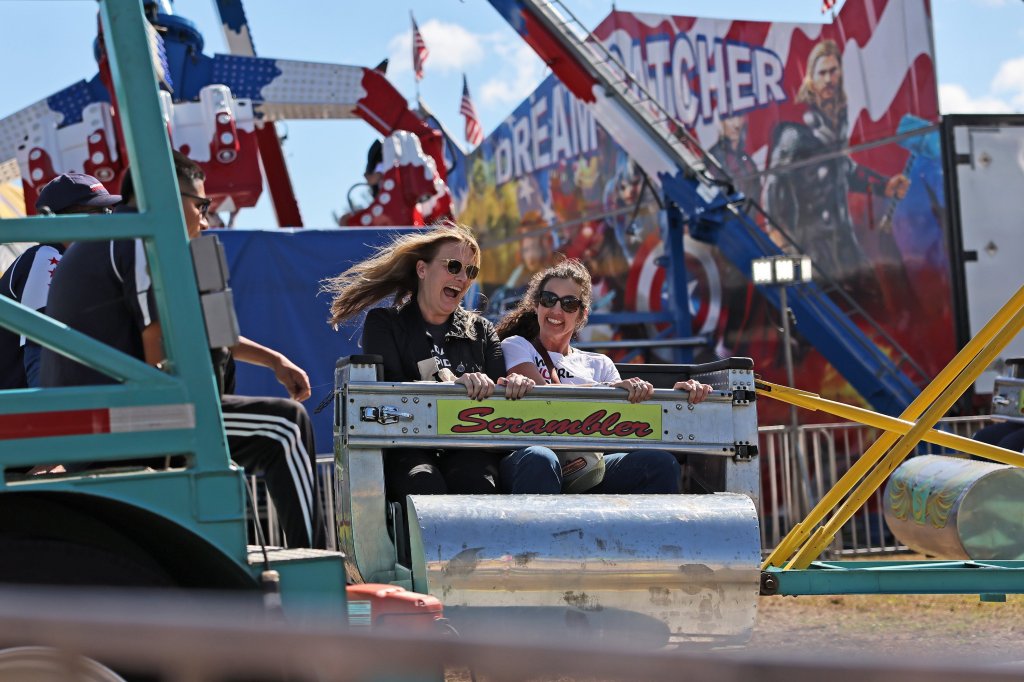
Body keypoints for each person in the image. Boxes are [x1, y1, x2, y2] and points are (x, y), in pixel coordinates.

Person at [41, 151, 325, 549]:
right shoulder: (138, 238)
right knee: (286, 426)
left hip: (99, 424)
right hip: (120, 428)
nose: (206, 220)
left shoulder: (114, 239)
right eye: (202, 205)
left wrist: (274, 361)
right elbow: (155, 351)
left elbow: (195, 332)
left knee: (234, 425)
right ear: (170, 198)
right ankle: (322, 571)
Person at [323, 221, 535, 500]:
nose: (462, 278)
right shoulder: (386, 323)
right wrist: (456, 387)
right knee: (423, 483)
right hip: (409, 449)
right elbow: (391, 396)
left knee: (476, 483)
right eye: (453, 266)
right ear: (422, 269)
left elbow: (500, 399)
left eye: (470, 271)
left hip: (469, 450)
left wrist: (515, 384)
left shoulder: (482, 330)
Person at [493, 258, 712, 494]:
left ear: (581, 314)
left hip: (587, 466)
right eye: (549, 300)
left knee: (660, 464)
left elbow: (625, 427)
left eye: (569, 304)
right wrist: (608, 391)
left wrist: (678, 395)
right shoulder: (516, 346)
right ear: (536, 305)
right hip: (531, 458)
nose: (556, 310)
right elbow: (543, 400)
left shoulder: (600, 364)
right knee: (541, 458)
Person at [763, 39, 910, 287]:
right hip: (813, 249)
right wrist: (779, 240)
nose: (829, 79)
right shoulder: (795, 131)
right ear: (811, 78)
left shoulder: (836, 123)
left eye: (833, 71)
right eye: (822, 73)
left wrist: (883, 186)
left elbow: (842, 169)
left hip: (845, 246)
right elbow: (774, 184)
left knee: (872, 303)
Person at [0, 173, 122, 389]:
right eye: (100, 212)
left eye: (111, 211)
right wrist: (53, 417)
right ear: (62, 219)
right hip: (20, 412)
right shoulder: (46, 255)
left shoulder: (78, 261)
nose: (109, 219)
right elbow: (41, 352)